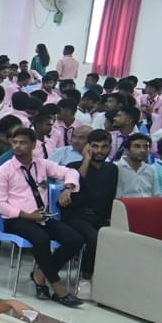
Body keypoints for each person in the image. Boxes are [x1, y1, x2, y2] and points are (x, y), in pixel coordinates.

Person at [0, 127, 85, 307]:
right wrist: (27, 215)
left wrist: (68, 187)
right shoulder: (3, 171)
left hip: (41, 217)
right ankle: (58, 288)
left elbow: (70, 172)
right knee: (40, 239)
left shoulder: (42, 164)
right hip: (16, 219)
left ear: (33, 145)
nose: (18, 146)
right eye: (15, 142)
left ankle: (40, 274)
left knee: (75, 240)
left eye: (23, 143)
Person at [63, 128, 119, 298]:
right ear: (87, 148)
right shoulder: (73, 167)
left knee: (120, 236)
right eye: (94, 146)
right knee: (94, 237)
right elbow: (75, 187)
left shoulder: (112, 169)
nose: (99, 151)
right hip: (76, 216)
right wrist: (86, 161)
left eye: (104, 147)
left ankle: (109, 279)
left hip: (101, 216)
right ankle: (85, 277)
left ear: (110, 148)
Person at [115, 134, 157, 198]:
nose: (143, 150)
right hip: (125, 206)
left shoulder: (151, 169)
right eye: (137, 146)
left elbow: (156, 195)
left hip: (149, 205)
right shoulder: (116, 168)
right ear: (127, 150)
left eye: (146, 146)